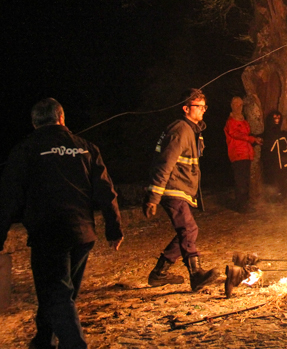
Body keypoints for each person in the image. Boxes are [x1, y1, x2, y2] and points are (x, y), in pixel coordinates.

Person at [0, 98, 124, 349]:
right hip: (82, 234)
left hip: (49, 232)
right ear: (62, 119)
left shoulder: (26, 149)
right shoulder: (86, 148)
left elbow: (8, 195)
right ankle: (43, 340)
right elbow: (105, 190)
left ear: (35, 123)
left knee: (57, 293)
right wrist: (114, 228)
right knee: (60, 294)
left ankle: (73, 345)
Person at [143, 88, 219, 291]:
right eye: (198, 106)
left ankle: (159, 274)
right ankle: (196, 275)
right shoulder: (180, 130)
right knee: (189, 229)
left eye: (205, 106)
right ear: (186, 108)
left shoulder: (193, 131)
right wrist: (153, 197)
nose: (203, 110)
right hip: (172, 188)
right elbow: (164, 163)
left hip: (181, 189)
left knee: (185, 232)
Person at [224, 96, 261, 213]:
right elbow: (236, 134)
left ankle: (245, 204)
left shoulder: (244, 121)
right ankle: (241, 205)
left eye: (240, 104)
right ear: (232, 105)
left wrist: (255, 140)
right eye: (236, 104)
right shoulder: (231, 122)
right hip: (238, 154)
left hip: (246, 154)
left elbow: (246, 135)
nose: (238, 106)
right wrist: (251, 139)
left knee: (245, 180)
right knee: (240, 181)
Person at [261, 110, 287, 201]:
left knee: (286, 178)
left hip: (284, 161)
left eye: (278, 118)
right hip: (273, 161)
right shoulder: (267, 134)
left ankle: (286, 194)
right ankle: (273, 196)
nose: (277, 120)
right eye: (274, 118)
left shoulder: (281, 133)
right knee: (273, 179)